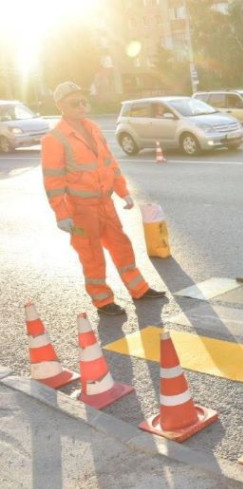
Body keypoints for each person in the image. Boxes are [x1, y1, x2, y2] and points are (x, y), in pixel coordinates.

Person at [41, 81, 165, 316]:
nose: (81, 106)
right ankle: (103, 300)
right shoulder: (54, 139)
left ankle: (138, 289)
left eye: (83, 101)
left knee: (122, 246)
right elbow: (53, 181)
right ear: (60, 106)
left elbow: (109, 164)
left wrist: (122, 191)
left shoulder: (95, 129)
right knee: (92, 255)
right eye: (74, 102)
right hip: (80, 210)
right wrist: (62, 214)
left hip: (105, 203)